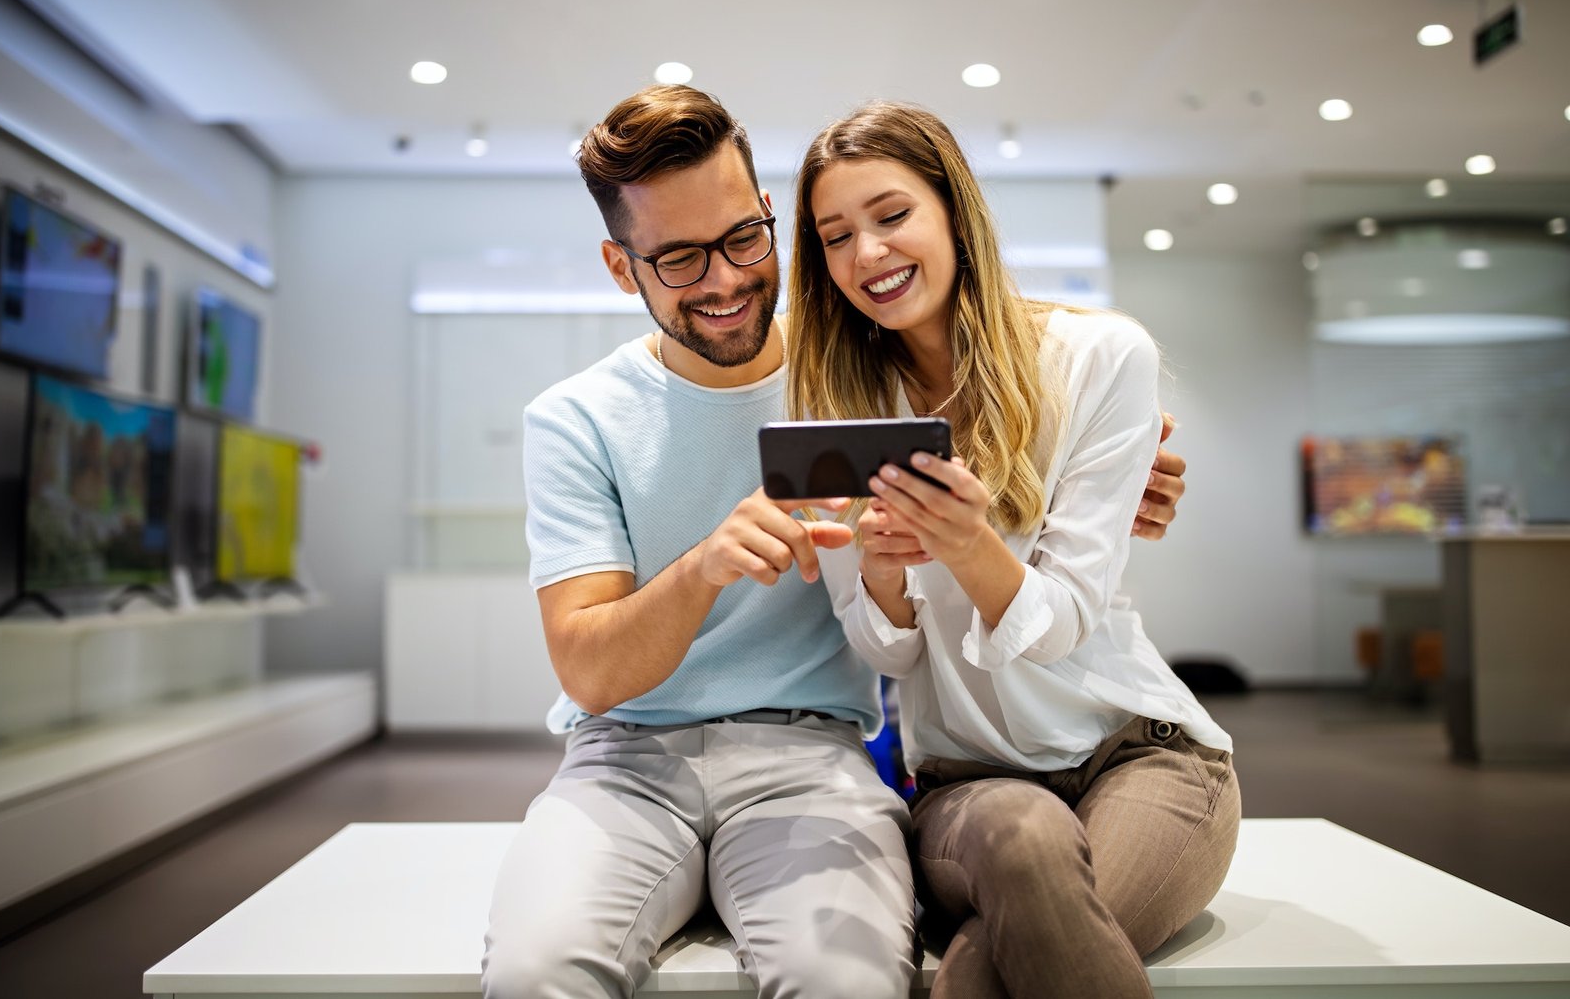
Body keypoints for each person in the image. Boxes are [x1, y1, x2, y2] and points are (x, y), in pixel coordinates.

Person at [480, 85, 1188, 999]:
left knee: (850, 981)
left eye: (743, 237)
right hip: (624, 759)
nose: (727, 280)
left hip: (811, 756)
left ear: (772, 217)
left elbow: (1022, 396)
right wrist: (703, 566)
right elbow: (589, 673)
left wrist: (1140, 471)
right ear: (623, 269)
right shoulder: (575, 420)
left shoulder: (851, 374)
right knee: (538, 974)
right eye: (681, 260)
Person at [786, 101, 1238, 999]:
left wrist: (964, 545)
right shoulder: (838, 402)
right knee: (1026, 841)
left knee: (995, 963)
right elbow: (885, 652)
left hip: (1142, 754)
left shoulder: (1097, 357)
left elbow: (1065, 620)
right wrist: (879, 570)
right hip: (971, 784)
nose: (867, 253)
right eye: (836, 237)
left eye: (892, 215)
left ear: (954, 210)